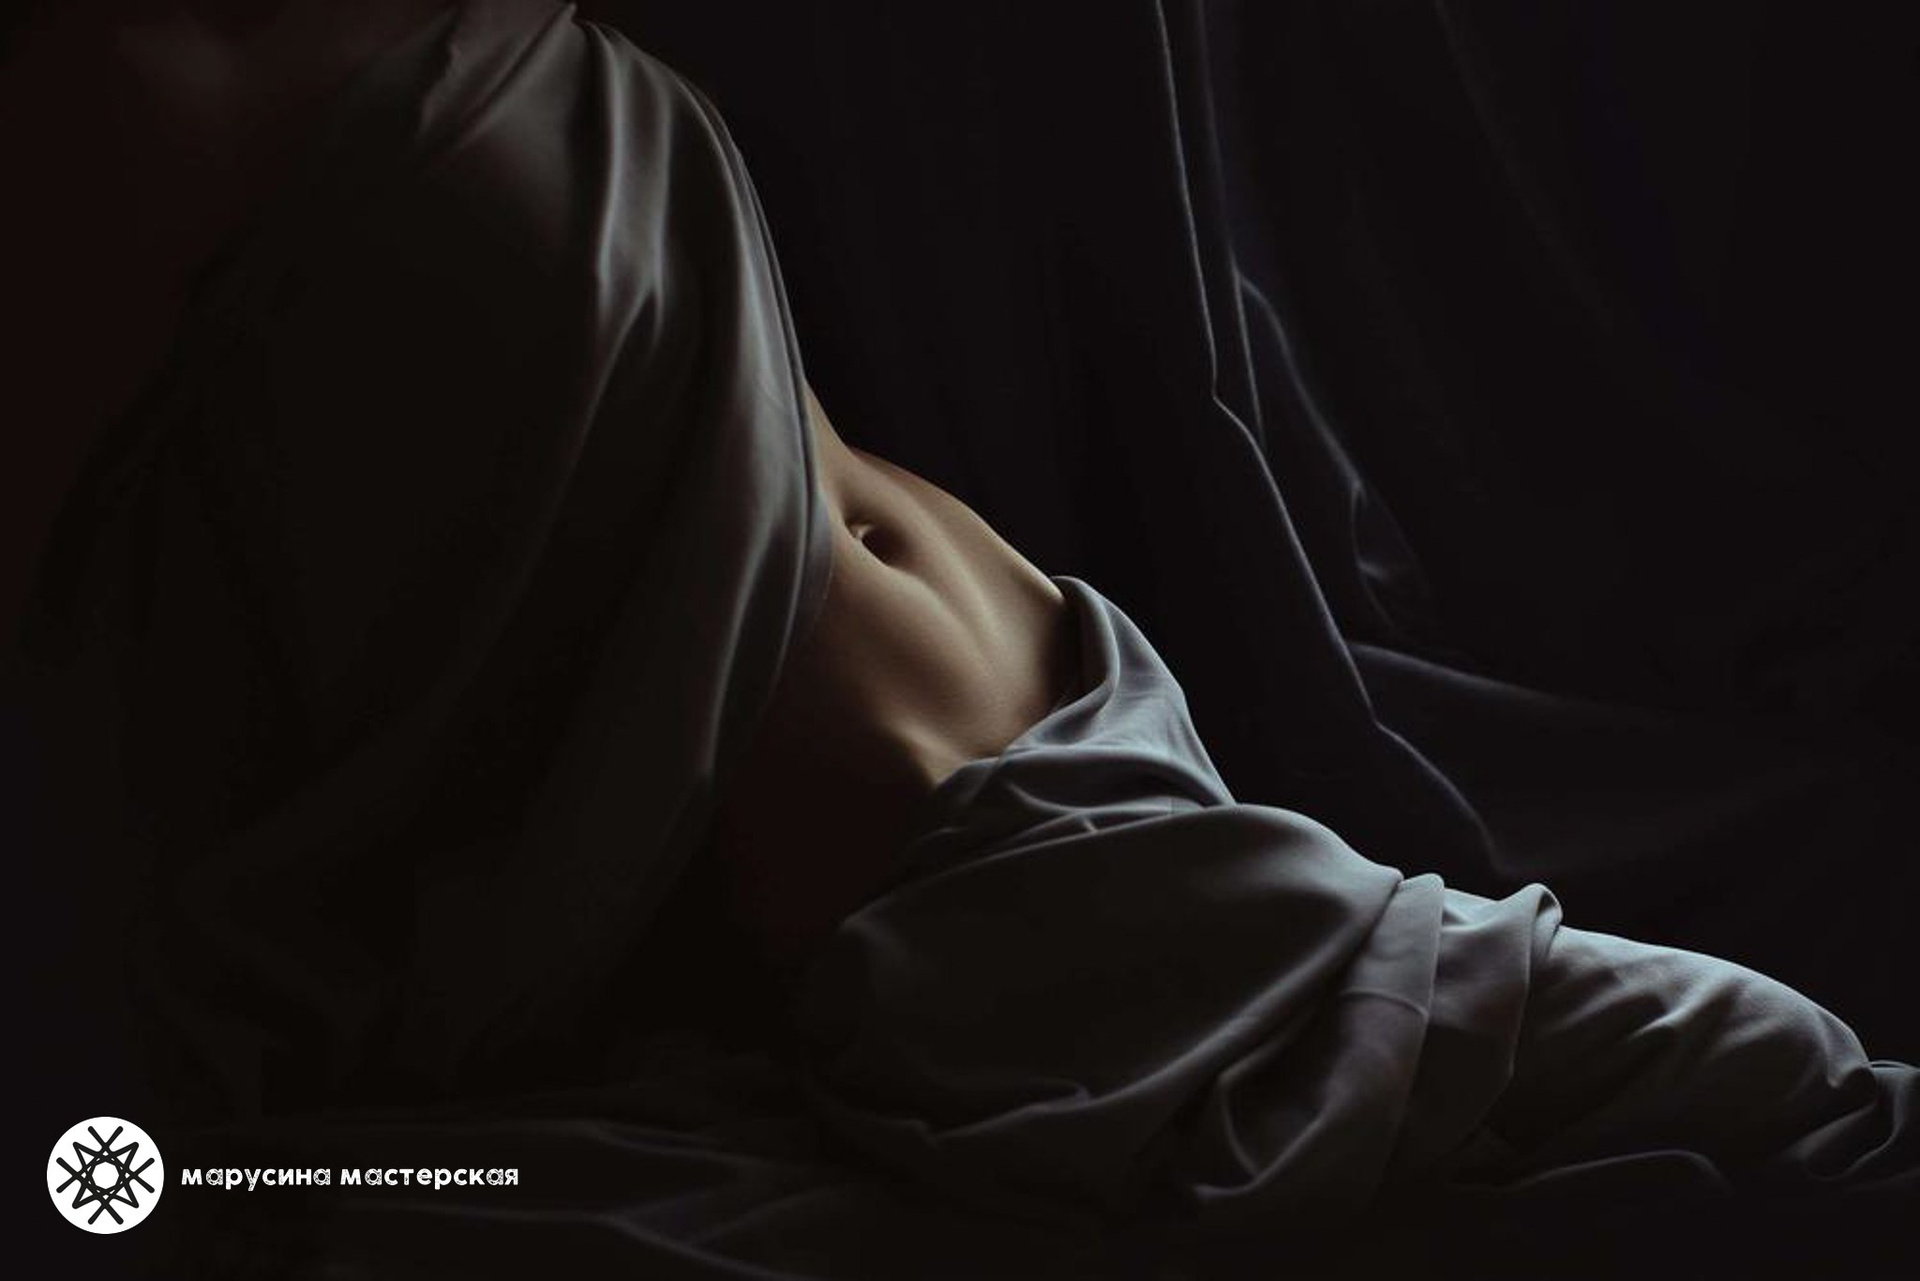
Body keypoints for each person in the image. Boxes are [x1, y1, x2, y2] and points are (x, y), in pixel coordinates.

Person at [7, 4, 1913, 1274]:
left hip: (1088, 739)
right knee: (1795, 1088)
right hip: (993, 910)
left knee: (1781, 1097)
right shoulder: (118, 98)